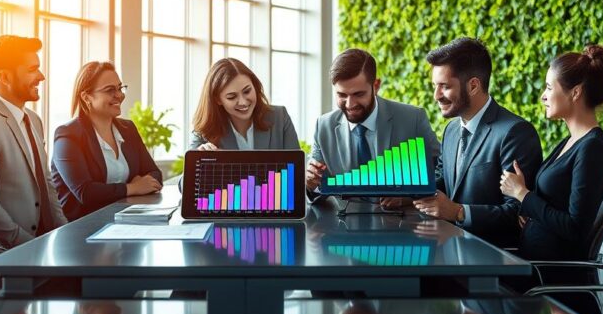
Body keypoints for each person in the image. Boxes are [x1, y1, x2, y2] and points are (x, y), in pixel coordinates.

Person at [500, 44, 603, 314]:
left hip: (550, 278)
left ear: (575, 92)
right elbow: (556, 203)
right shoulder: (570, 141)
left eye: (549, 87)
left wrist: (523, 195)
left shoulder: (592, 148)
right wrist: (528, 208)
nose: (543, 96)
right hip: (534, 265)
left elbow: (575, 228)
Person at [415, 37, 542, 248]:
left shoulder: (516, 133)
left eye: (444, 86)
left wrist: (458, 211)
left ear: (474, 85)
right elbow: (442, 182)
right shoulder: (452, 130)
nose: (436, 95)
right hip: (450, 248)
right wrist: (407, 195)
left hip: (491, 258)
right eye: (434, 86)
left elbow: (519, 211)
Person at [0, 35, 66, 248]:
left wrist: (63, 233)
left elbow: (46, 183)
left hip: (47, 246)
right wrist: (27, 246)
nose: (41, 76)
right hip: (8, 255)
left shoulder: (34, 120)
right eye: (32, 69)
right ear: (5, 77)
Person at [306, 49, 439, 206]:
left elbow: (442, 174)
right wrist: (309, 184)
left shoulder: (413, 119)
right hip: (344, 225)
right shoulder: (323, 126)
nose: (350, 104)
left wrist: (409, 198)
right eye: (342, 95)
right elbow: (315, 187)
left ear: (376, 86)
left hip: (402, 224)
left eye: (358, 94)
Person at [51, 61, 162, 220]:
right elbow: (85, 192)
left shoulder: (128, 129)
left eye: (120, 88)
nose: (119, 95)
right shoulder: (68, 135)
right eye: (110, 90)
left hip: (126, 221)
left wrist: (143, 183)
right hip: (83, 228)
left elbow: (155, 173)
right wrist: (132, 188)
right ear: (86, 97)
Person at [189, 57, 300, 151]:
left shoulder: (279, 117)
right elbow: (185, 177)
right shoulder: (204, 130)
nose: (243, 102)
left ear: (255, 87)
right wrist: (197, 161)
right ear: (218, 99)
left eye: (247, 91)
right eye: (232, 97)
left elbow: (296, 171)